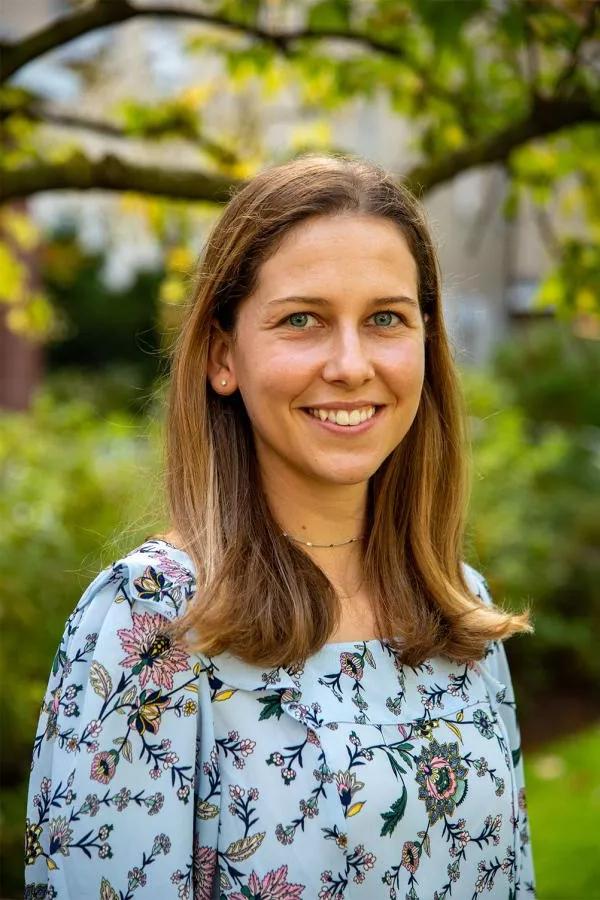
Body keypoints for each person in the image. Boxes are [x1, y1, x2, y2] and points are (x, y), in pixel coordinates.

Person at [25, 153, 536, 899]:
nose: (352, 364)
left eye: (387, 319)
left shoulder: (458, 606)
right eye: (304, 319)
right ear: (224, 356)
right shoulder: (153, 622)